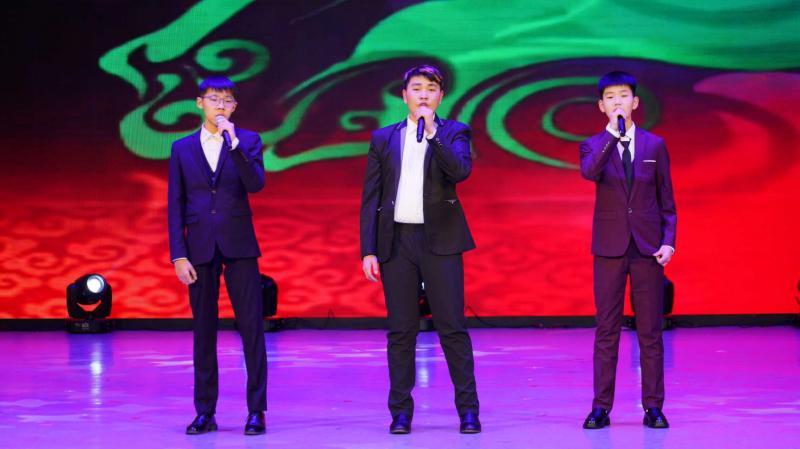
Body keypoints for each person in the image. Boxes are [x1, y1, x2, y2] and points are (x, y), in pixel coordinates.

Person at [359, 65, 481, 434]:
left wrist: (432, 134)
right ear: (404, 95)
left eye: (431, 88)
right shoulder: (384, 138)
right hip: (396, 242)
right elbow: (371, 196)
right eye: (416, 88)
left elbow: (459, 172)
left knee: (452, 327)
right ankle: (400, 412)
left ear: (441, 96)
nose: (423, 94)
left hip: (441, 241)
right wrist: (368, 249)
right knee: (400, 330)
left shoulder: (454, 132)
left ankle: (468, 411)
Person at [167, 76, 267, 435]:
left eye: (227, 100)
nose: (220, 106)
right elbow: (175, 203)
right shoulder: (181, 148)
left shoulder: (248, 141)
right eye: (213, 99)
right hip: (199, 247)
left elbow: (256, 184)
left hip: (239, 243)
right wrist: (178, 255)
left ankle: (256, 410)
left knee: (252, 327)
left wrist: (234, 144)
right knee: (204, 330)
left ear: (234, 107)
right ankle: (205, 411)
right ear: (200, 103)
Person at [579, 71, 677, 429]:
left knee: (650, 331)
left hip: (647, 248)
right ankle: (601, 407)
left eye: (623, 96)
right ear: (601, 106)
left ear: (635, 102)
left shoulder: (654, 145)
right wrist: (612, 136)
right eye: (610, 97)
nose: (617, 102)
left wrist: (669, 241)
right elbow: (590, 172)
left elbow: (667, 200)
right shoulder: (593, 145)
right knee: (606, 330)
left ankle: (653, 407)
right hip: (609, 248)